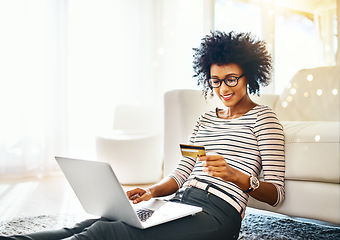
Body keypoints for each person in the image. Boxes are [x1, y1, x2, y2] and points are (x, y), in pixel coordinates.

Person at [1, 31, 285, 240]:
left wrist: (237, 177)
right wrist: (151, 191)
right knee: (89, 225)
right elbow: (181, 173)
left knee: (109, 233)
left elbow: (277, 195)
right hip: (180, 203)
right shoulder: (206, 119)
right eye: (215, 81)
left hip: (218, 216)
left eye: (231, 79)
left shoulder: (264, 119)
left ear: (249, 75)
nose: (223, 89)